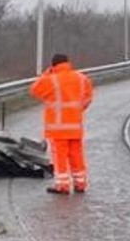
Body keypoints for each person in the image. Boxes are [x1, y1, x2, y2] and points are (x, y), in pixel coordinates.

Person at [30, 51, 94, 194]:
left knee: (60, 157)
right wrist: (77, 111)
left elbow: (34, 90)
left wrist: (47, 73)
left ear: (53, 65)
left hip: (58, 128)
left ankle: (63, 186)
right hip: (75, 126)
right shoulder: (81, 78)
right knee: (77, 155)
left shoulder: (51, 79)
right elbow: (88, 97)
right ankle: (80, 184)